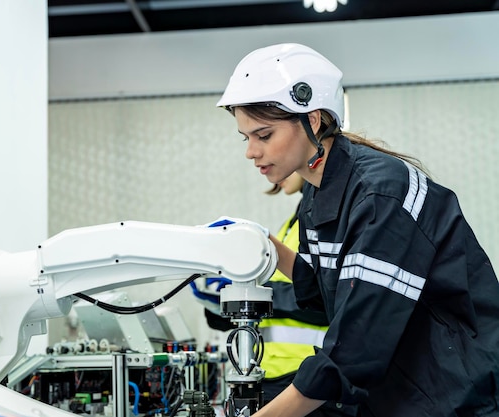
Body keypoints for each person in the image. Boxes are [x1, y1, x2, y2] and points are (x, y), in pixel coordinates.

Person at [211, 43, 499, 416]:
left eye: (263, 136)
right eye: (245, 137)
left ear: (312, 120)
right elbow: (326, 292)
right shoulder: (319, 193)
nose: (251, 151)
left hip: (451, 397)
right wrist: (264, 248)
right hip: (400, 395)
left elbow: (356, 345)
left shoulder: (381, 194)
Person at [193, 172, 332, 406]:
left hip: (306, 372)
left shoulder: (322, 222)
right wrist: (221, 302)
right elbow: (276, 308)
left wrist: (254, 294)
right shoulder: (291, 224)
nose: (274, 174)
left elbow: (324, 297)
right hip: (269, 373)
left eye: (266, 136)